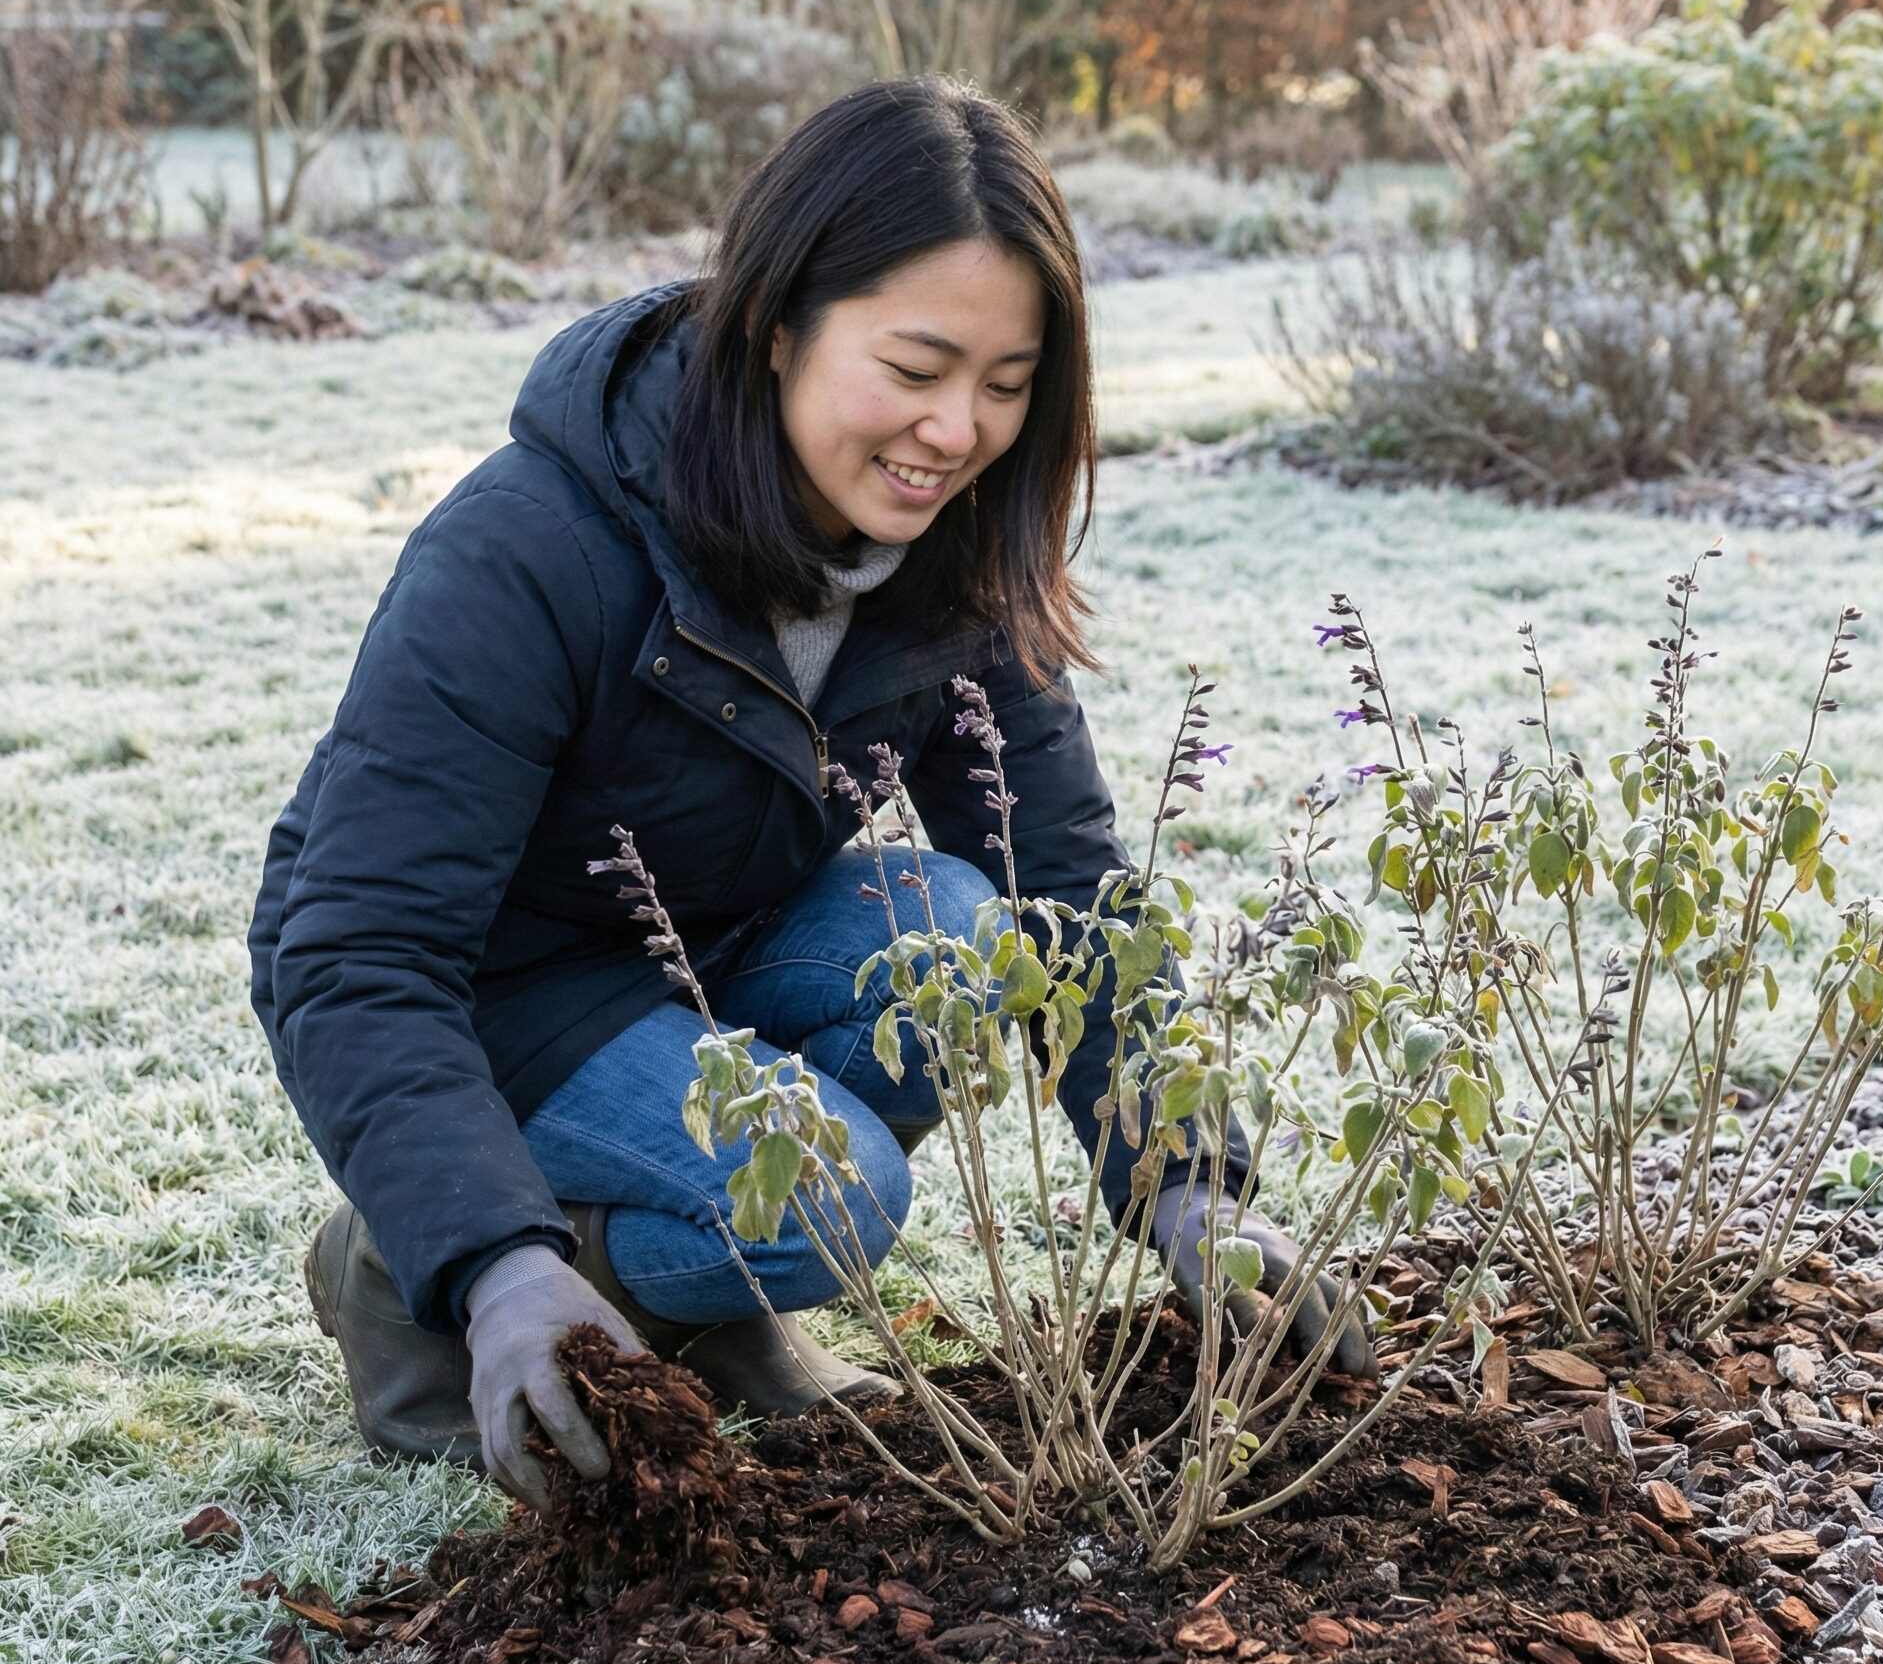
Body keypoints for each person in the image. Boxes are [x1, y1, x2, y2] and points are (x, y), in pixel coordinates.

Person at [248, 76, 1369, 1516]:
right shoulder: (527, 551)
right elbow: (356, 952)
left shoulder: (946, 557)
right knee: (831, 1197)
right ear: (779, 328)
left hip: (700, 947)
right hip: (492, 985)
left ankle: (711, 1308)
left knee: (963, 944)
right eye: (915, 368)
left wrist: (1190, 1184)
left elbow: (1063, 881)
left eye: (1008, 385)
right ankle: (427, 1280)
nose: (959, 430)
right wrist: (500, 1259)